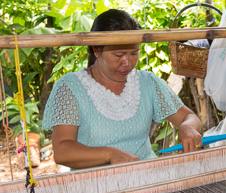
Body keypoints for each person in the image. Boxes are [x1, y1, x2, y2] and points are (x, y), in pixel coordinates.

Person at [43, 9, 202, 169]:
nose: (127, 62)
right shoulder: (70, 87)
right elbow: (63, 151)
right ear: (96, 50)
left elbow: (188, 117)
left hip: (145, 177)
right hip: (94, 186)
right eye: (119, 55)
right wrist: (109, 154)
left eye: (134, 53)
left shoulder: (148, 83)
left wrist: (187, 127)